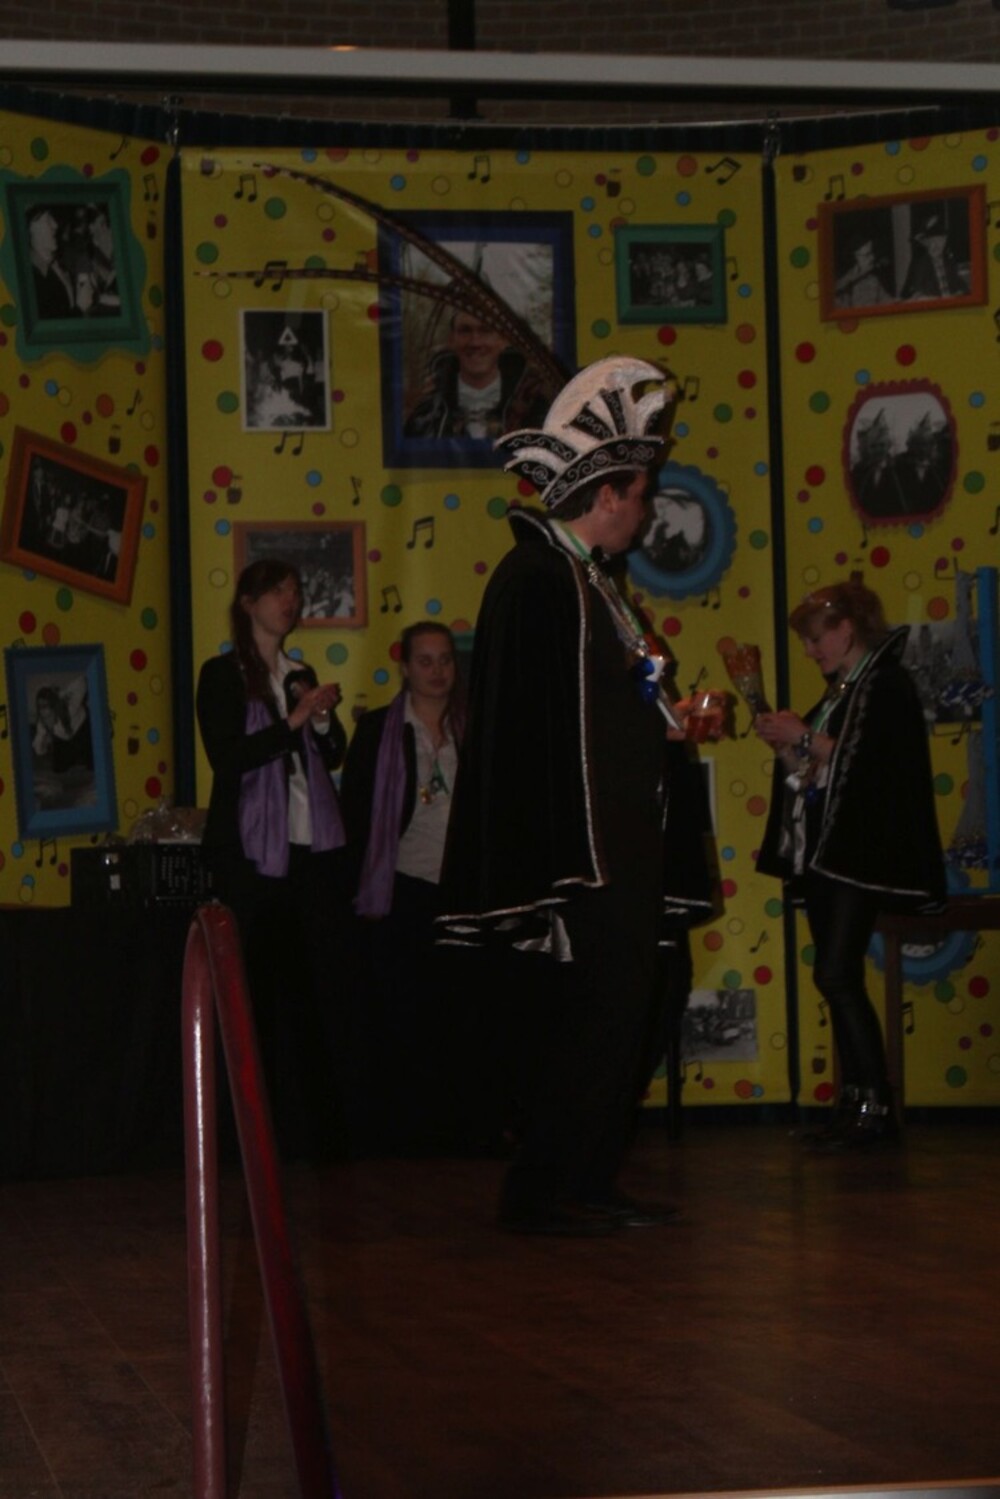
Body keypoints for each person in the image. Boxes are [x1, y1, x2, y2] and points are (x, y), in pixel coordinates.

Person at [439, 354, 691, 1236]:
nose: (645, 510)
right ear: (606, 495)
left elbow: (602, 705)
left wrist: (664, 719)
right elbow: (533, 728)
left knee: (626, 1007)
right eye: (640, 493)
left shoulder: (588, 581)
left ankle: (582, 1175)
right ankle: (552, 1186)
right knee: (591, 1016)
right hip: (584, 852)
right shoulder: (538, 580)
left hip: (617, 840)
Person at [755, 580, 945, 1150]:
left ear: (846, 629)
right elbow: (817, 775)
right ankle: (856, 1104)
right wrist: (788, 746)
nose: (810, 650)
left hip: (859, 855)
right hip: (830, 853)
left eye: (817, 639)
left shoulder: (885, 685)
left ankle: (873, 1108)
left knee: (836, 974)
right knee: (835, 976)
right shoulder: (845, 691)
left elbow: (878, 767)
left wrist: (805, 736)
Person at [196, 558, 354, 1159]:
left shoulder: (298, 672)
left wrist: (320, 718)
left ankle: (316, 1136)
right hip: (249, 856)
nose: (290, 600)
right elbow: (227, 758)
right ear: (247, 601)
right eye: (278, 591)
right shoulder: (222, 675)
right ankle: (247, 1138)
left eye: (295, 591)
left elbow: (331, 753)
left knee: (309, 992)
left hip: (307, 846)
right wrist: (293, 720)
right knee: (254, 995)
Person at [340, 621, 469, 1152]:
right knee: (401, 1012)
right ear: (405, 669)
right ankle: (402, 1131)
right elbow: (355, 816)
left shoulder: (474, 725)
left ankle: (457, 1126)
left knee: (457, 1013)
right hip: (400, 890)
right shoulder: (379, 730)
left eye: (445, 660)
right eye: (425, 661)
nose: (437, 671)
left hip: (461, 891)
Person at [403, 311, 549, 441]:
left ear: (503, 340)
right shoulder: (424, 419)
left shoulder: (538, 412)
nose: (475, 342)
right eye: (465, 331)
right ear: (451, 340)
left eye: (486, 330)